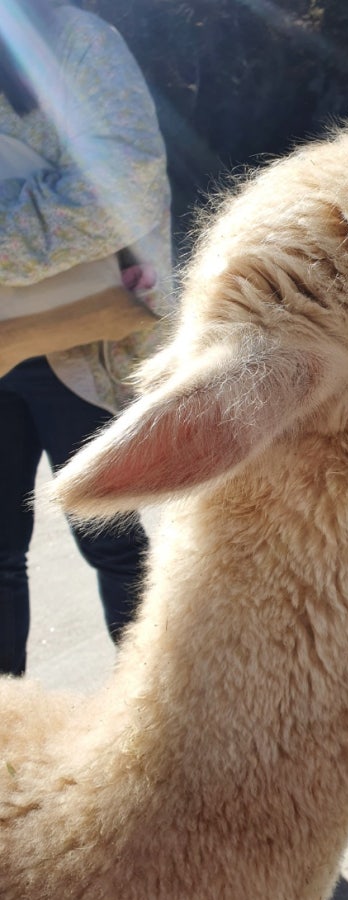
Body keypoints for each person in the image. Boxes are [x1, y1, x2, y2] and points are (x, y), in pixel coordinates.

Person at [0, 0, 172, 676]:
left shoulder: (75, 43)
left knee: (114, 546)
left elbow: (123, 187)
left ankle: (155, 736)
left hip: (81, 345)